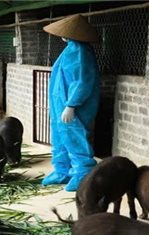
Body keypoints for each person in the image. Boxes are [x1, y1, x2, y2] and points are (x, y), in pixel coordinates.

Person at [41, 14, 101, 192]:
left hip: (74, 106)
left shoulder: (81, 52)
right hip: (61, 103)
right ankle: (62, 171)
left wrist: (72, 105)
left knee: (74, 137)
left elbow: (82, 81)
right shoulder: (71, 48)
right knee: (60, 137)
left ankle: (83, 173)